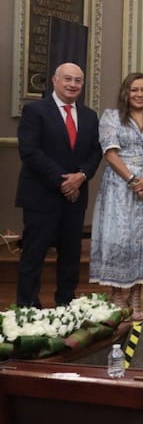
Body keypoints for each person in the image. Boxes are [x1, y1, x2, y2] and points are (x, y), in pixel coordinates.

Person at [16, 62, 102, 309]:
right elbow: (30, 152)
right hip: (41, 197)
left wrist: (81, 176)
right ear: (54, 80)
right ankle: (28, 308)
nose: (73, 84)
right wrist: (63, 180)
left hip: (75, 198)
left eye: (77, 80)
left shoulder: (89, 116)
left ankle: (66, 305)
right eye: (67, 79)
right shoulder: (35, 111)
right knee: (34, 255)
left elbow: (95, 152)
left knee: (70, 256)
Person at [89, 72, 143, 320]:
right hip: (119, 186)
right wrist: (133, 180)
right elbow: (109, 152)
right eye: (135, 90)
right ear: (126, 92)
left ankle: (136, 296)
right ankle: (116, 294)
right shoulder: (111, 117)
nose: (139, 94)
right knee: (120, 238)